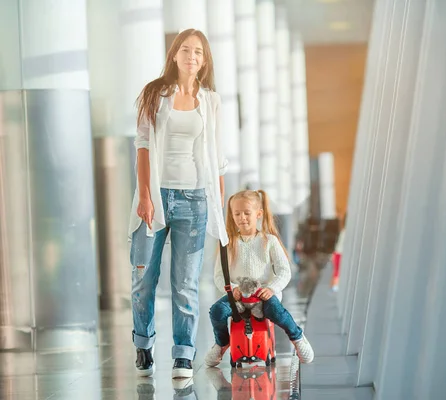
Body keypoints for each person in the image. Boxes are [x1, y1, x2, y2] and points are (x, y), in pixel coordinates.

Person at [128, 29, 229, 379]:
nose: (191, 56)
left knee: (185, 285)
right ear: (174, 55)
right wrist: (144, 195)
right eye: (185, 50)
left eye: (198, 52)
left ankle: (183, 355)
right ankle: (143, 343)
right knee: (144, 280)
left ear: (204, 61)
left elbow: (217, 160)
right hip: (156, 197)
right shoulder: (155, 93)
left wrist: (219, 207)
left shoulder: (211, 101)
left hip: (195, 200)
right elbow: (142, 145)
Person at [204, 190, 315, 366]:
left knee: (278, 312)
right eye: (237, 214)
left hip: (264, 295)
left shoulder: (269, 240)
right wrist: (233, 289)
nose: (242, 218)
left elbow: (284, 271)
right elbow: (219, 275)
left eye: (247, 213)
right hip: (238, 298)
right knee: (216, 311)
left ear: (258, 214)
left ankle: (297, 337)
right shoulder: (228, 244)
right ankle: (222, 342)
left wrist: (272, 288)